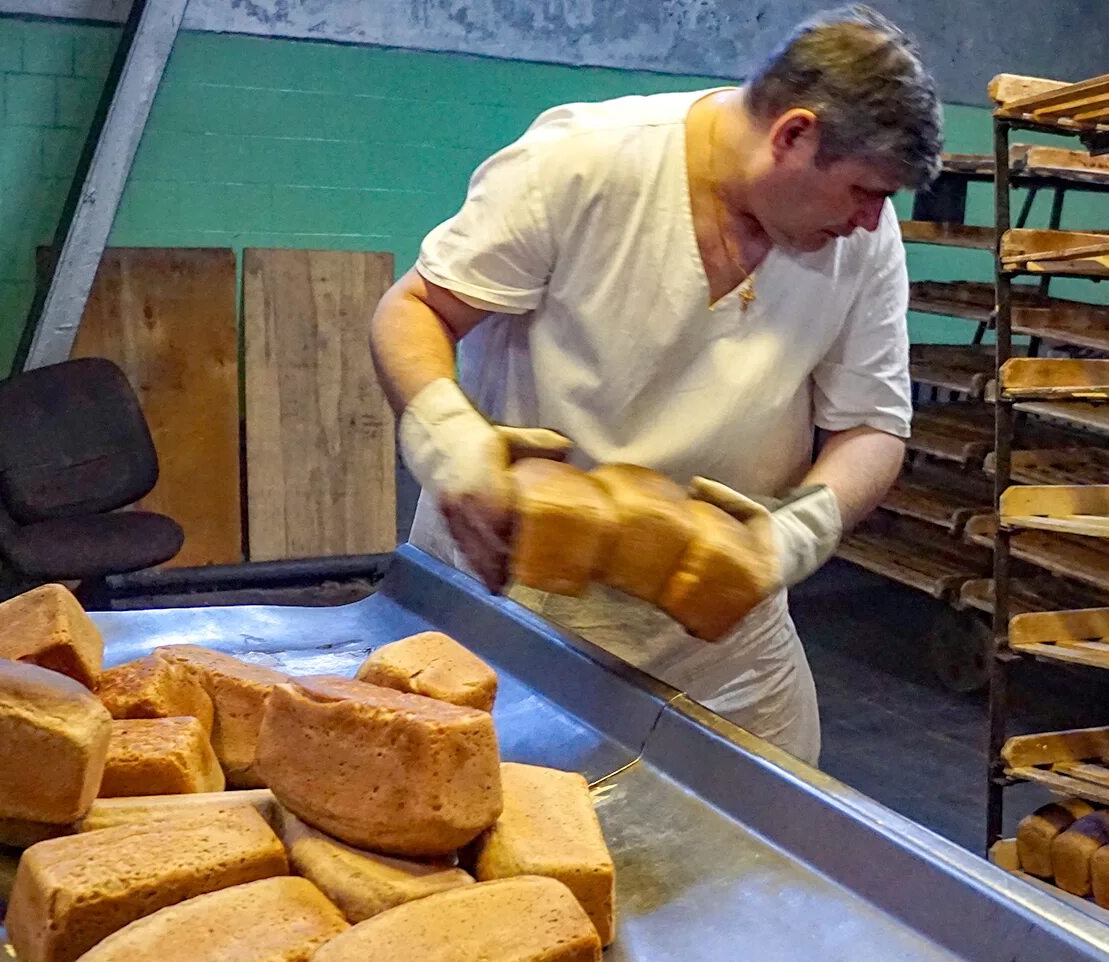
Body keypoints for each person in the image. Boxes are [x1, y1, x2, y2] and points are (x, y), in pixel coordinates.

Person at [369, 5, 941, 764]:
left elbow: (872, 427)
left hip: (720, 627)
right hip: (514, 594)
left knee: (762, 855)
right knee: (468, 838)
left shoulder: (863, 244)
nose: (872, 221)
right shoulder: (586, 162)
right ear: (794, 135)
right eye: (864, 191)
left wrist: (797, 529)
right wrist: (452, 438)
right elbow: (415, 308)